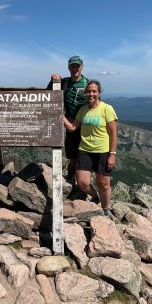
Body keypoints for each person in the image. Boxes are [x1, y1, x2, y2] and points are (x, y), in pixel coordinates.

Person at [63, 80, 118, 217]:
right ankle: (96, 196)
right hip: (85, 150)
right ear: (85, 93)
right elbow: (72, 128)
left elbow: (113, 134)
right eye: (88, 91)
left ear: (99, 93)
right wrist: (59, 115)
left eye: (94, 91)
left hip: (103, 151)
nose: (91, 94)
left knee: (103, 183)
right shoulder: (83, 109)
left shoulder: (107, 108)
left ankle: (105, 209)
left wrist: (112, 154)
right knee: (82, 182)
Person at [47, 56, 89, 187]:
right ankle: (71, 178)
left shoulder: (88, 83)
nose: (75, 68)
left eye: (77, 66)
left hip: (86, 121)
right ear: (68, 67)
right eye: (72, 66)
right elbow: (49, 94)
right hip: (70, 121)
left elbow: (95, 102)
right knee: (73, 156)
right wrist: (52, 81)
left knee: (85, 155)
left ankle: (82, 183)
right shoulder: (64, 82)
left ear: (82, 66)